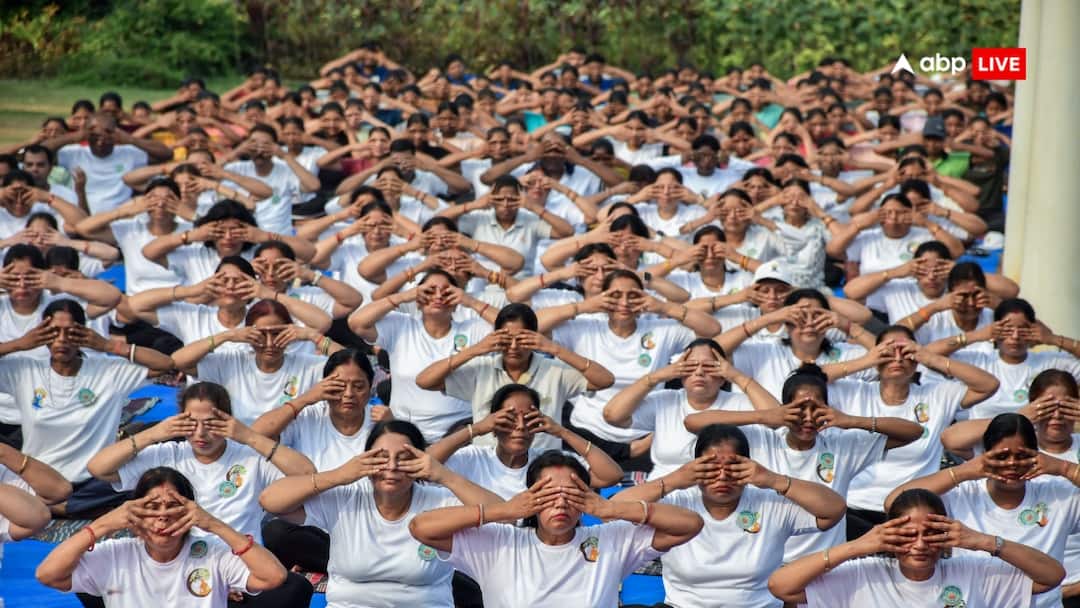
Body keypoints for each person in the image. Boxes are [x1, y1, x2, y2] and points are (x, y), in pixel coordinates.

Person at [85, 381, 315, 605]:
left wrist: (248, 435)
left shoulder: (250, 457)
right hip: (172, 567)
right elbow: (98, 468)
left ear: (228, 420)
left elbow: (307, 474)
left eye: (211, 423)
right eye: (191, 423)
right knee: (91, 575)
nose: (200, 433)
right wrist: (154, 433)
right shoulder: (167, 454)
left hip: (236, 570)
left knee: (295, 588)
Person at [685, 366, 922, 563]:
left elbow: (913, 432)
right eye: (799, 409)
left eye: (816, 409)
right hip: (767, 562)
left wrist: (850, 421)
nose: (808, 418)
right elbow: (693, 422)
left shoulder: (842, 444)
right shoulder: (762, 438)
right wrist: (764, 416)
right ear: (785, 408)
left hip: (825, 562)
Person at [408, 450, 704, 607]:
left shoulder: (610, 539)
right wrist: (505, 511)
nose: (561, 503)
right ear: (531, 498)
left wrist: (609, 509)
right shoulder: (500, 542)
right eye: (549, 495)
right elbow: (422, 527)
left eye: (572, 494)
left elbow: (690, 524)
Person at [259, 420, 502, 608]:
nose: (392, 467)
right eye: (381, 458)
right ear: (364, 459)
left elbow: (503, 517)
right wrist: (338, 476)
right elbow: (270, 501)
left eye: (404, 458)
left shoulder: (441, 501)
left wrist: (444, 476)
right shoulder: (347, 496)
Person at [613, 423, 847, 607]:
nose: (723, 477)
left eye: (734, 468)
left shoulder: (770, 503)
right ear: (695, 468)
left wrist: (772, 479)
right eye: (711, 468)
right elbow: (613, 511)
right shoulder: (676, 502)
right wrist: (674, 480)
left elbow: (833, 509)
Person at [821, 324, 1000, 538]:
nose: (897, 359)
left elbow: (988, 384)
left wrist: (930, 357)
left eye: (906, 352)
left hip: (913, 512)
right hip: (854, 507)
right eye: (888, 352)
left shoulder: (937, 394)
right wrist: (866, 361)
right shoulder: (853, 391)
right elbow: (803, 379)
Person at [887, 413, 1080, 608]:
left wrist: (1064, 468)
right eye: (1001, 456)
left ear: (1037, 455)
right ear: (984, 454)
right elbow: (894, 503)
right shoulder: (962, 494)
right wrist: (963, 472)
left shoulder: (1058, 494)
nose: (1012, 464)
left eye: (1022, 456)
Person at [0, 299, 173, 515]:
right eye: (53, 331)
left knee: (146, 478)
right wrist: (18, 344)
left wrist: (109, 346)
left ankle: (64, 508)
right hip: (41, 482)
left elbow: (167, 364)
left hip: (96, 481)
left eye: (71, 332)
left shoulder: (109, 371)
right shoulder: (24, 371)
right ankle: (63, 506)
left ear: (83, 334)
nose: (62, 340)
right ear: (41, 333)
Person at [536, 268, 721, 467]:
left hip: (643, 432)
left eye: (633, 296)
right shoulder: (583, 328)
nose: (624, 303)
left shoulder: (661, 330)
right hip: (588, 430)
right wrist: (584, 306)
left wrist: (662, 307)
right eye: (615, 296)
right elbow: (533, 325)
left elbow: (712, 329)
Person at [35, 467, 291, 608]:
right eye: (152, 507)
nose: (163, 516)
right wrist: (102, 525)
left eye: (173, 506)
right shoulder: (116, 552)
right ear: (134, 514)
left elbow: (274, 577)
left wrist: (214, 525)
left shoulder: (211, 551)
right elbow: (47, 575)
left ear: (191, 512)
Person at [768, 488, 1065, 607]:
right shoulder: (861, 574)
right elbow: (782, 587)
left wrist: (984, 542)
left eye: (931, 533)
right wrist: (856, 547)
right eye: (908, 535)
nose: (920, 544)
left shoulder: (973, 571)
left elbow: (1051, 576)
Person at [415, 303, 612, 451]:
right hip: (488, 464)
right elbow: (424, 381)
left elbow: (605, 380)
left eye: (523, 339)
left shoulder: (555, 371)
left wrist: (553, 348)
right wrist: (475, 350)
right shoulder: (480, 368)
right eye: (506, 339)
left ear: (535, 337)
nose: (514, 347)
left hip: (542, 464)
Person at [348, 269, 495, 442]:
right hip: (406, 434)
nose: (438, 296)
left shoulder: (472, 329)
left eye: (446, 292)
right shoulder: (402, 325)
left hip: (460, 434)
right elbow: (356, 323)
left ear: (456, 302)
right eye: (429, 291)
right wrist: (404, 296)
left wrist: (470, 301)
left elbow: (513, 331)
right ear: (418, 300)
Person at [602, 338, 778, 479]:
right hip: (666, 493)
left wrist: (737, 376)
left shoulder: (739, 402)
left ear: (723, 374)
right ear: (680, 371)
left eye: (709, 366)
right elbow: (613, 415)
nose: (699, 372)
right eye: (691, 366)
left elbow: (777, 418)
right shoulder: (665, 400)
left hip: (723, 489)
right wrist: (655, 377)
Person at [427, 383, 622, 498]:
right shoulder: (473, 458)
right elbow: (423, 464)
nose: (520, 426)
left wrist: (562, 432)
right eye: (509, 419)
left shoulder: (550, 464)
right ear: (493, 424)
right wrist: (477, 428)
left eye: (528, 418)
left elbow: (610, 476)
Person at [169, 299, 339, 424]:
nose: (270, 343)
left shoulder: (308, 365)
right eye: (261, 335)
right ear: (247, 333)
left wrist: (313, 336)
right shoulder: (231, 362)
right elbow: (177, 362)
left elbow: (358, 367)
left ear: (291, 332)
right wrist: (227, 335)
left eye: (278, 334)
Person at [927, 298, 1080, 420]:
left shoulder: (1050, 362)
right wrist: (977, 335)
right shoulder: (979, 362)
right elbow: (927, 355)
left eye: (1023, 329)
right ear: (995, 329)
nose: (1015, 336)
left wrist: (1053, 339)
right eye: (1007, 329)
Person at [715, 288, 875, 399]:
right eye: (801, 316)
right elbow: (712, 350)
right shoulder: (764, 352)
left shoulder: (847, 353)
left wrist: (847, 325)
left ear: (829, 320)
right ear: (786, 321)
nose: (810, 323)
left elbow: (892, 354)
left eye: (818, 315)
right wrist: (769, 318)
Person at [44, 113, 172, 214]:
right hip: (81, 215)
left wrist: (130, 139)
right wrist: (74, 137)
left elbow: (166, 154)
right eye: (95, 136)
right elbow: (41, 152)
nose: (100, 142)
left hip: (120, 217)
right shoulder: (73, 153)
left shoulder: (129, 152)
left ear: (115, 133)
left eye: (106, 135)